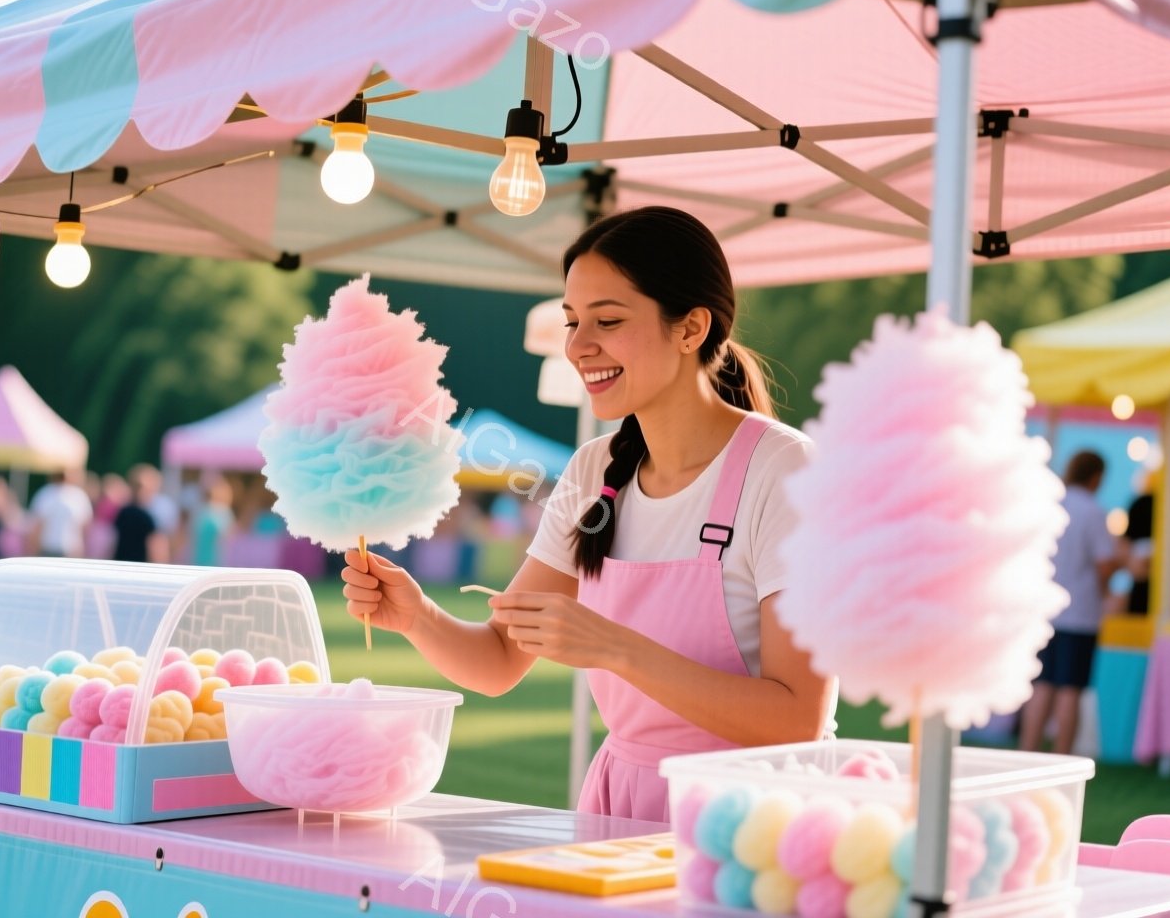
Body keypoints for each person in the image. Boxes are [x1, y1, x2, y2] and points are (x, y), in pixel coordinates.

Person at [342, 206, 836, 822]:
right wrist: (417, 615)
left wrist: (615, 648)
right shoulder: (593, 470)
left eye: (607, 320)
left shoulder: (784, 471)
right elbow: (498, 661)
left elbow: (796, 719)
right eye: (573, 321)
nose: (578, 346)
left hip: (754, 823)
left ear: (690, 329)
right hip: (619, 807)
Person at [1021, 450, 1123, 756]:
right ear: (1097, 477)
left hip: (1044, 610)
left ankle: (1027, 751)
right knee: (1070, 690)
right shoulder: (1093, 512)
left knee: (1042, 685)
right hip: (1079, 613)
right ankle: (1060, 758)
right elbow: (1105, 564)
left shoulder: (1051, 504)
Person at [28, 467, 94, 558]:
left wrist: (32, 549)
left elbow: (37, 526)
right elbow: (85, 527)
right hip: (68, 549)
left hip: (54, 549)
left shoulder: (45, 493)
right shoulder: (78, 496)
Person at [113, 466, 170, 564]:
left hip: (121, 565)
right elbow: (156, 548)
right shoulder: (147, 517)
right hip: (141, 568)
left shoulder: (122, 512)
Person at [190, 476, 235, 567]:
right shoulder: (223, 512)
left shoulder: (200, 509)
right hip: (214, 560)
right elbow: (228, 535)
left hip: (198, 558)